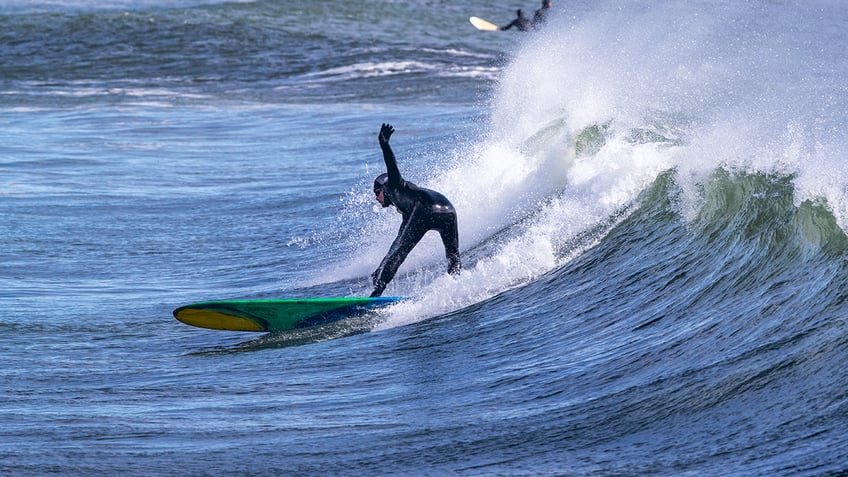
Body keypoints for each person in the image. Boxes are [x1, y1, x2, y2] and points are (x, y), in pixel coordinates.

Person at [369, 123, 460, 297]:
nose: (376, 198)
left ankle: (377, 293)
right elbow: (396, 242)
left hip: (425, 209)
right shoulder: (406, 208)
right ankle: (456, 288)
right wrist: (381, 267)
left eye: (376, 193)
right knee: (453, 256)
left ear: (383, 189)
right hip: (448, 211)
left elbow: (392, 166)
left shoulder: (393, 186)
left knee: (401, 253)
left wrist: (384, 144)